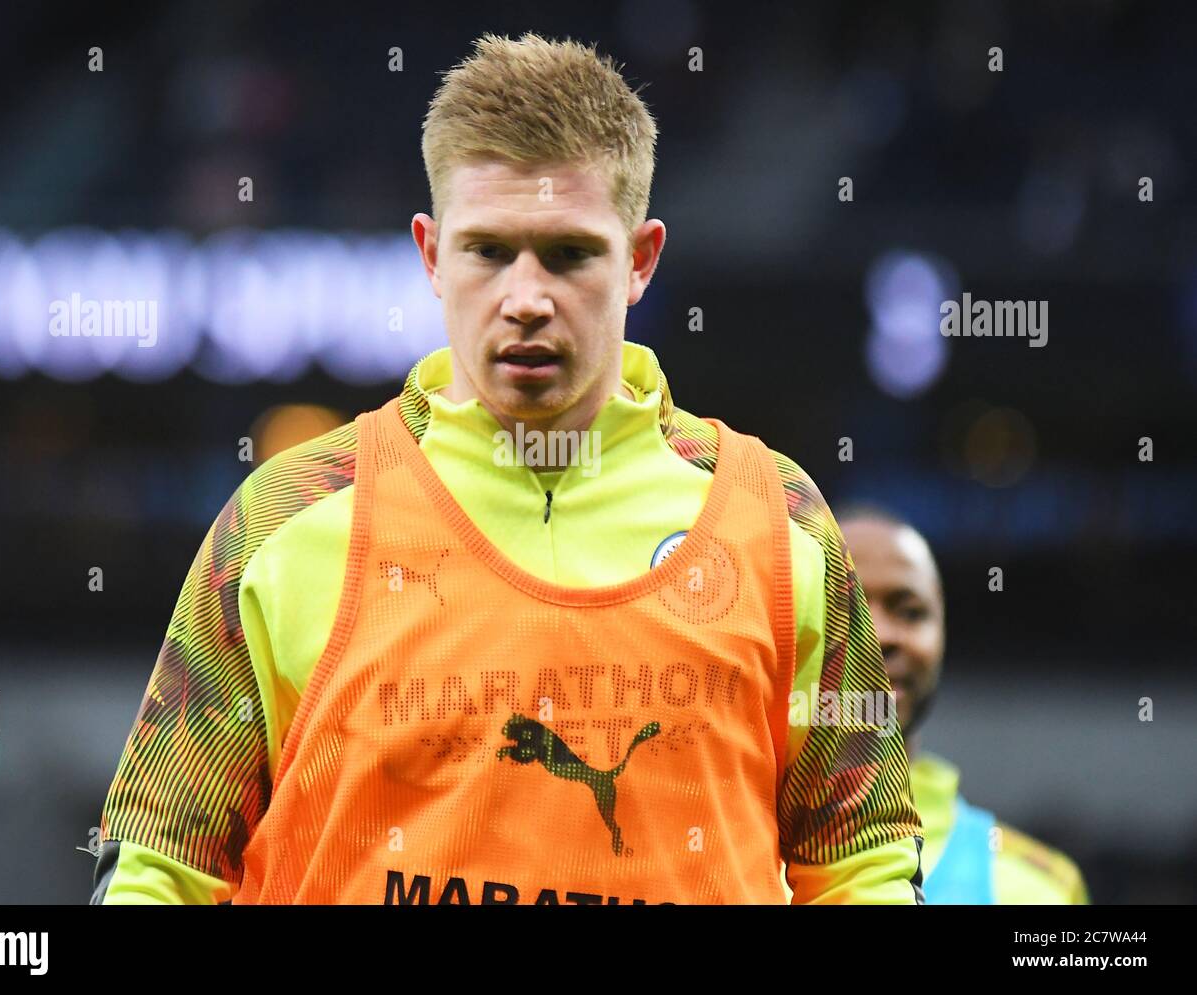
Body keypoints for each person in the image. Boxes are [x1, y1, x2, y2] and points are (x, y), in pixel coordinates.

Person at [91, 31, 923, 905]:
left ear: (639, 260)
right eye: (489, 251)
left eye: (569, 254)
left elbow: (859, 866)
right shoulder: (288, 518)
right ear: (430, 253)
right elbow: (160, 867)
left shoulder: (777, 521)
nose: (526, 298)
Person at [836, 503, 1089, 904]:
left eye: (910, 611)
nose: (880, 634)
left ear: (942, 634)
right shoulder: (727, 857)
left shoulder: (1040, 888)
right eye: (844, 608)